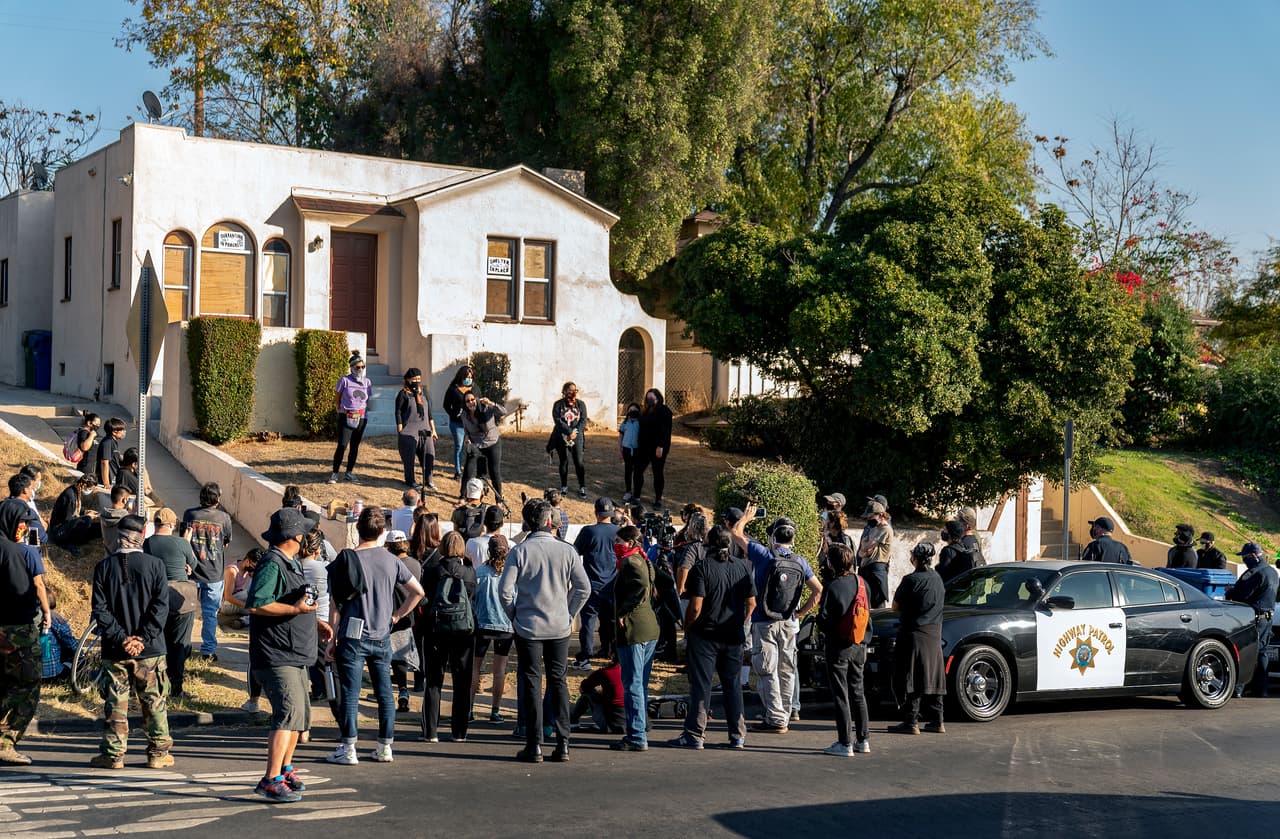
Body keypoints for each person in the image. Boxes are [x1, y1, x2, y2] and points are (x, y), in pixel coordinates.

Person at [326, 506, 424, 766]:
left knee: (350, 691)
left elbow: (335, 604)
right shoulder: (392, 560)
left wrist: (332, 637)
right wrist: (397, 616)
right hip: (382, 634)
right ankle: (384, 746)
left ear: (358, 529)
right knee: (384, 693)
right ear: (383, 531)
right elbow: (418, 592)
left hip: (352, 634)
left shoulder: (345, 560)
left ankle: (348, 747)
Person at [245, 508, 330, 803]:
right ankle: (270, 779)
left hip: (294, 652)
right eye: (304, 530)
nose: (308, 533)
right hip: (277, 654)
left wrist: (314, 620)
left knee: (298, 717)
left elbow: (292, 600)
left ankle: (285, 769)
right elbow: (256, 604)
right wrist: (296, 611)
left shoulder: (289, 562)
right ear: (295, 535)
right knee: (287, 715)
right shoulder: (272, 563)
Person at [499, 498, 590, 763]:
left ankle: (534, 743)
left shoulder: (520, 551)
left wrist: (514, 615)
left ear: (528, 522)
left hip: (528, 626)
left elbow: (504, 591)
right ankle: (563, 742)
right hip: (559, 625)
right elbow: (584, 588)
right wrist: (570, 611)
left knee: (530, 681)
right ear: (550, 521)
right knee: (558, 681)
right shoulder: (567, 550)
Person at [89, 514, 172, 769]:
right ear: (142, 535)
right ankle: (158, 753)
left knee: (116, 702)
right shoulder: (155, 565)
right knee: (154, 700)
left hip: (115, 650)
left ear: (119, 536)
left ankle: (114, 754)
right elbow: (160, 607)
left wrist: (122, 638)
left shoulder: (104, 567)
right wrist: (142, 638)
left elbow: (100, 610)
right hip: (150, 650)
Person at [731, 508, 822, 735]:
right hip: (789, 621)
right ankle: (785, 713)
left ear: (773, 537)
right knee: (787, 670)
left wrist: (746, 518)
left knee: (767, 670)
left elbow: (735, 534)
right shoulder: (800, 561)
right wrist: (800, 612)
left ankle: (776, 717)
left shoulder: (764, 555)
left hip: (765, 621)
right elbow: (818, 590)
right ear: (792, 538)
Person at [670, 525, 756, 750]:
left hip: (706, 634)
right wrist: (740, 621)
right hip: (732, 634)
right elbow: (751, 603)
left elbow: (696, 606)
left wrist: (688, 628)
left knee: (701, 684)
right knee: (732, 685)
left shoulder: (702, 567)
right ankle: (737, 734)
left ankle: (695, 733)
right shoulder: (743, 567)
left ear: (708, 545)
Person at [0, 500, 50, 765]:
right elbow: (30, 589)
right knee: (27, 686)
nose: (24, 528)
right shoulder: (17, 552)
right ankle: (5, 743)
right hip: (16, 631)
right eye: (22, 522)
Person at [419, 531, 476, 742]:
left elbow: (423, 598)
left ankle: (430, 731)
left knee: (434, 681)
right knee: (462, 681)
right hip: (464, 631)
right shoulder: (469, 572)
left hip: (436, 630)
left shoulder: (432, 570)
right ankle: (459, 732)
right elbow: (472, 597)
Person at [818, 544, 871, 756]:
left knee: (841, 694)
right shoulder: (862, 583)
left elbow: (824, 619)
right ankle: (863, 739)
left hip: (838, 645)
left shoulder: (832, 586)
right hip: (860, 643)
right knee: (858, 692)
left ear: (832, 563)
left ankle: (844, 742)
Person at [889, 542, 946, 736]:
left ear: (915, 558)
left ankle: (911, 721)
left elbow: (895, 606)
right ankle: (937, 720)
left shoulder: (910, 580)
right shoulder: (938, 579)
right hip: (934, 633)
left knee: (911, 677)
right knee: (934, 677)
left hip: (913, 632)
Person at [611, 525, 659, 751]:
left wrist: (624, 611)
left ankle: (637, 735)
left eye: (619, 540)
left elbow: (640, 587)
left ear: (629, 542)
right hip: (649, 627)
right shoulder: (643, 558)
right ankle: (640, 726)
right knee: (640, 684)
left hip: (635, 628)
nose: (615, 544)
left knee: (632, 684)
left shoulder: (631, 562)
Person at [144, 508, 198, 702]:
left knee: (160, 643)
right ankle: (176, 688)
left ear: (155, 523)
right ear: (173, 525)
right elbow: (194, 565)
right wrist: (187, 542)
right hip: (181, 599)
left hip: (157, 598)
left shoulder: (147, 543)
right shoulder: (181, 543)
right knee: (180, 645)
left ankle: (157, 685)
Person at [181, 482, 234, 662]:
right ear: (217, 499)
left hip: (191, 571)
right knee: (210, 614)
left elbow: (183, 540)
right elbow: (226, 542)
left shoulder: (190, 515)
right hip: (214, 573)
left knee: (186, 611)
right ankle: (208, 651)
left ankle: (183, 646)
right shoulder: (224, 518)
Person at [572, 497, 621, 670]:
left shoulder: (589, 531)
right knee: (612, 621)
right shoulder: (619, 531)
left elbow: (575, 551)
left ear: (595, 512)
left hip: (592, 583)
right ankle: (613, 652)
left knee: (588, 622)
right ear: (612, 513)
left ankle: (585, 657)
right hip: (613, 584)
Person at [1225, 542, 1277, 698]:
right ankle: (1261, 689)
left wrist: (1230, 591)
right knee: (1262, 653)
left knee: (1246, 652)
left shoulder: (1254, 573)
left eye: (1246, 557)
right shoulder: (1272, 571)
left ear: (1254, 556)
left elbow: (1242, 595)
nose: (1244, 561)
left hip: (1253, 619)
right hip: (1267, 618)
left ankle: (1238, 689)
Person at [471, 534, 514, 722]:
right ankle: (495, 711)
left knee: (475, 668)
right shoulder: (512, 573)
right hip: (505, 625)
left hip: (481, 623)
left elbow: (473, 598)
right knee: (500, 669)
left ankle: (469, 709)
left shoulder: (480, 572)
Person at [385, 531, 422, 713]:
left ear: (390, 546)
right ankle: (403, 691)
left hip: (389, 614)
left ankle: (387, 692)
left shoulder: (390, 564)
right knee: (401, 655)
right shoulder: (415, 564)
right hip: (408, 616)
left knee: (387, 656)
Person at [329, 352, 371, 484]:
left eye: (363, 367)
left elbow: (367, 398)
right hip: (346, 415)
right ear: (352, 367)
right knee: (342, 444)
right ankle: (334, 473)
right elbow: (337, 396)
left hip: (362, 417)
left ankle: (349, 472)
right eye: (357, 367)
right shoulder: (344, 380)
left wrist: (362, 410)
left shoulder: (367, 382)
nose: (360, 370)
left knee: (355, 446)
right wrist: (339, 408)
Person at [459, 391, 508, 505]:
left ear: (476, 399)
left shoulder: (487, 408)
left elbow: (503, 412)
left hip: (492, 443)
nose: (471, 402)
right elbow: (466, 429)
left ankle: (499, 500)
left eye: (472, 399)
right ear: (465, 404)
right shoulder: (464, 415)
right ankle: (462, 496)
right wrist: (467, 437)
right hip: (476, 445)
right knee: (468, 470)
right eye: (467, 401)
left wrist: (491, 403)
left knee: (494, 472)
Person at [396, 368, 439, 491]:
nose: (416, 381)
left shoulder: (423, 394)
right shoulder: (403, 394)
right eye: (414, 379)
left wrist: (433, 430)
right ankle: (410, 481)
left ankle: (429, 480)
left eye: (418, 379)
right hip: (409, 429)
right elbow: (398, 411)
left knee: (429, 455)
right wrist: (400, 428)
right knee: (409, 458)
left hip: (425, 429)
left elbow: (429, 413)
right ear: (408, 380)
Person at [548, 382, 589, 498]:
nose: (573, 392)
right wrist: (568, 432)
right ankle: (564, 486)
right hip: (562, 436)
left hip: (577, 437)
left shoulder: (580, 404)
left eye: (575, 390)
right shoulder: (558, 405)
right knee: (564, 461)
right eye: (570, 390)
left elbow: (583, 420)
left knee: (579, 462)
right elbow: (557, 420)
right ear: (564, 391)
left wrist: (575, 432)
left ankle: (582, 486)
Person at [634, 388, 673, 508]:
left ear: (658, 398)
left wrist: (660, 445)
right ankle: (636, 496)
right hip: (644, 447)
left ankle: (658, 499)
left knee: (657, 473)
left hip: (658, 447)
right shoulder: (646, 411)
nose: (649, 400)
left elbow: (666, 430)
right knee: (638, 471)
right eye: (647, 398)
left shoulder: (664, 411)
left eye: (651, 397)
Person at [443, 365, 480, 481]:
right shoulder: (453, 389)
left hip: (472, 423)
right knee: (459, 445)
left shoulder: (475, 389)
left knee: (471, 446)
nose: (468, 379)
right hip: (457, 424)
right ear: (461, 376)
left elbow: (479, 403)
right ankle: (458, 471)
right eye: (466, 377)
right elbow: (446, 405)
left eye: (470, 377)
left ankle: (470, 470)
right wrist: (454, 414)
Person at [569, 657, 625, 734]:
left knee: (588, 694)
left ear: (612, 654)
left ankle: (573, 721)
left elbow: (583, 688)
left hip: (611, 724)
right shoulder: (636, 671)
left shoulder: (605, 672)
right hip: (634, 724)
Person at [49, 474, 100, 551]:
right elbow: (69, 520)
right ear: (84, 485)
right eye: (90, 489)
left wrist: (85, 512)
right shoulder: (70, 496)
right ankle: (72, 543)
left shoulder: (75, 491)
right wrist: (88, 517)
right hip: (59, 532)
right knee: (87, 520)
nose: (91, 491)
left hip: (64, 527)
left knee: (97, 527)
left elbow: (73, 511)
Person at [857, 500, 893, 608]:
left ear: (881, 515)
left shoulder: (885, 529)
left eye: (871, 516)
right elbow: (862, 549)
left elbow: (868, 547)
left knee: (877, 607)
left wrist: (865, 550)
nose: (868, 520)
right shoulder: (874, 528)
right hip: (866, 569)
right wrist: (864, 551)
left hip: (876, 571)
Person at [40, 591, 80, 681]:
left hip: (31, 673)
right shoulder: (55, 618)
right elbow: (69, 641)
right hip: (54, 673)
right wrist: (81, 655)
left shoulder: (30, 617)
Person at [936, 520, 978, 585]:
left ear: (950, 534)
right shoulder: (963, 546)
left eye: (945, 530)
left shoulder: (947, 551)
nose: (943, 532)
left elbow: (942, 574)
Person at [465, 505, 504, 569]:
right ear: (502, 523)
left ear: (484, 522)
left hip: (477, 578)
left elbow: (469, 559)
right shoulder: (511, 545)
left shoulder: (471, 542)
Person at [618, 402, 642, 502]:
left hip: (637, 450)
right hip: (627, 450)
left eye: (635, 410)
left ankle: (637, 494)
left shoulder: (641, 423)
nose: (633, 412)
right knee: (628, 471)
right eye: (631, 410)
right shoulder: (625, 423)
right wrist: (620, 449)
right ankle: (628, 491)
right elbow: (621, 436)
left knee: (637, 473)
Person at [99, 485, 131, 553]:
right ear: (124, 500)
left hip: (108, 553)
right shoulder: (125, 518)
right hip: (120, 555)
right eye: (128, 499)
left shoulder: (103, 513)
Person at [96, 417, 127, 488]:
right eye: (122, 430)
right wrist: (106, 483)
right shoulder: (107, 442)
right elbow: (104, 462)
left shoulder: (113, 442)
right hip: (109, 480)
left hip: (113, 478)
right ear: (114, 432)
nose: (124, 432)